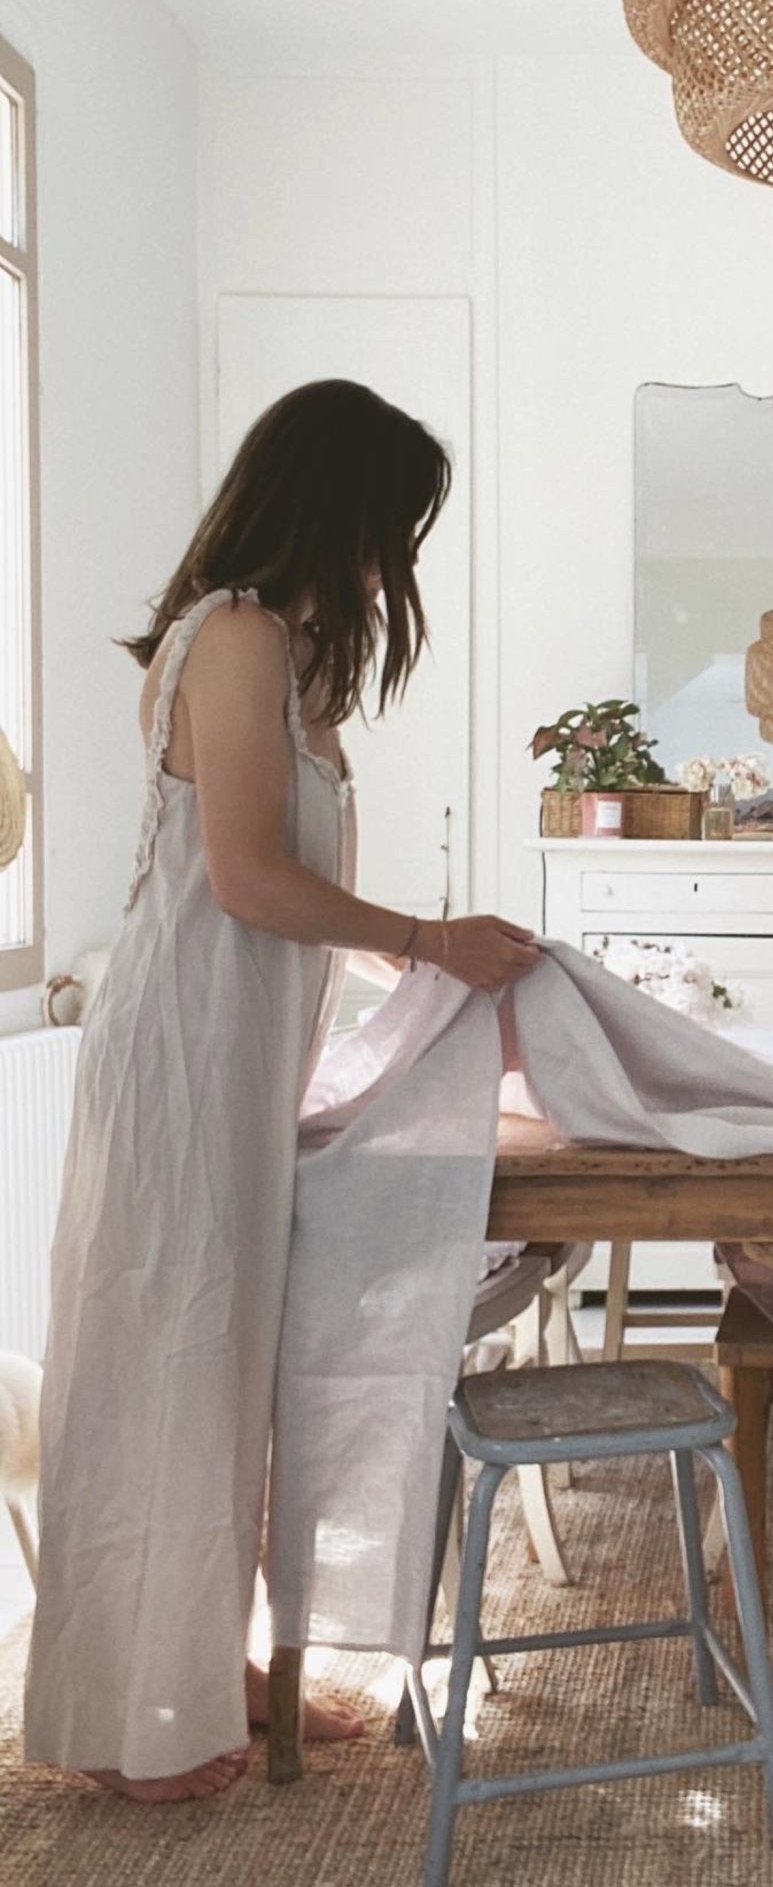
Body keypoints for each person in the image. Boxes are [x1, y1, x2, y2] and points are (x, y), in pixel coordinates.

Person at [23, 379, 539, 1803]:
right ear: (332, 503)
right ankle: (136, 1723)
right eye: (389, 525)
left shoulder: (290, 658)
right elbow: (247, 883)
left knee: (230, 1374)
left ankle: (206, 1665)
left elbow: (273, 897)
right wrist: (428, 942)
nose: (393, 561)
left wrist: (413, 996)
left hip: (240, 1060)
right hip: (183, 1057)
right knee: (169, 1370)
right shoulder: (235, 636)